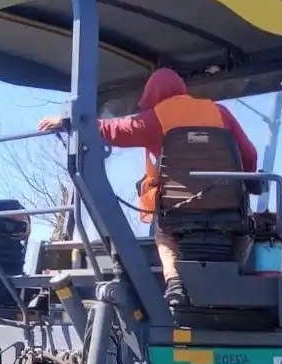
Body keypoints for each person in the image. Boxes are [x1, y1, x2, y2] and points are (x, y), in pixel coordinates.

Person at [38, 67, 258, 309]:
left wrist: (69, 122)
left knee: (163, 233)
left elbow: (111, 130)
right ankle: (240, 275)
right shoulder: (220, 112)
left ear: (154, 94)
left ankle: (173, 280)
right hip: (226, 206)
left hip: (178, 210)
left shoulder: (157, 118)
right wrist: (246, 181)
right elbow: (249, 153)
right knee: (244, 231)